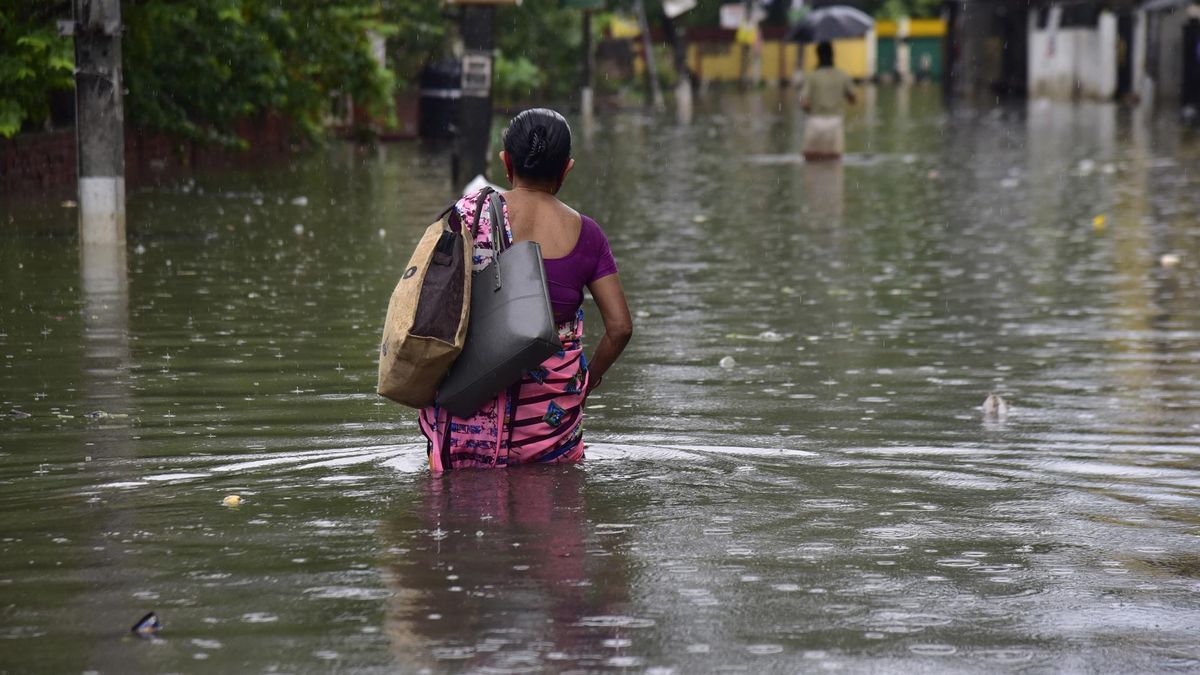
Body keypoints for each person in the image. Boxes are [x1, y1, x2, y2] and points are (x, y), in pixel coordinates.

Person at [418, 108, 633, 471]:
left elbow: (430, 303)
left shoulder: (466, 216)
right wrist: (587, 379)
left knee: (457, 515)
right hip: (548, 431)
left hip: (466, 418)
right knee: (552, 515)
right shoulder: (588, 235)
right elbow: (620, 328)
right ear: (566, 168)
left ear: (506, 163)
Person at [800, 41, 857, 161]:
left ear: (817, 55)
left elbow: (803, 102)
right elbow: (853, 99)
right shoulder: (842, 75)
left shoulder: (811, 76)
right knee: (834, 162)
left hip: (815, 121)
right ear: (833, 55)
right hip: (835, 123)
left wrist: (808, 110)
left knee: (811, 162)